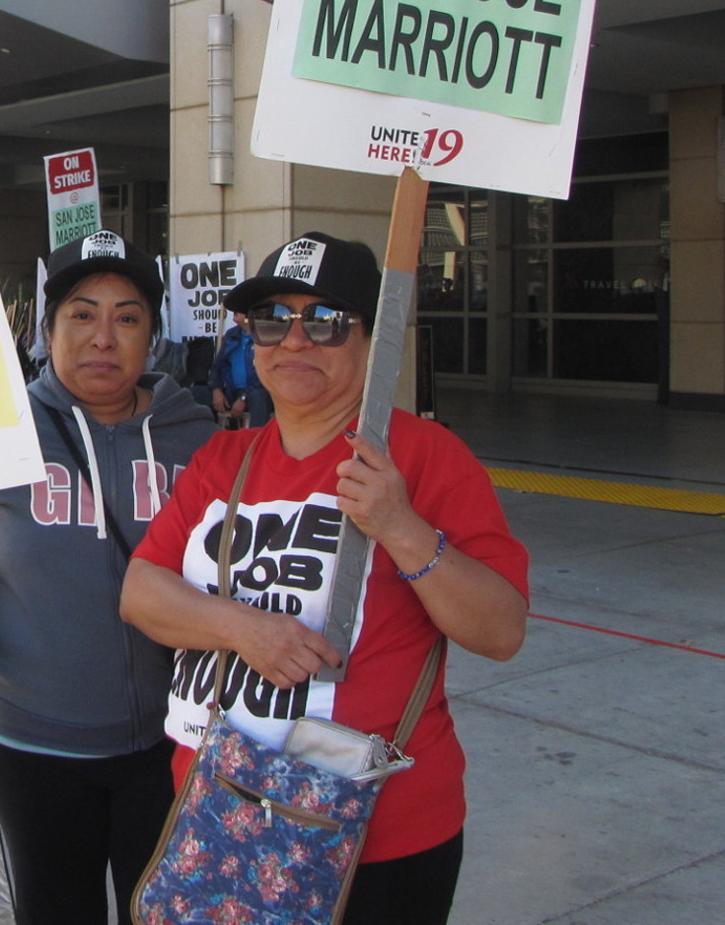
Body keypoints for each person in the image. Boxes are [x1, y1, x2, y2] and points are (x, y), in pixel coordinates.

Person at [121, 233, 530, 925]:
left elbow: (501, 630)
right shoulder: (225, 458)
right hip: (218, 808)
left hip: (376, 835)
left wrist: (401, 526)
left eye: (327, 321)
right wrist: (245, 628)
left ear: (373, 340)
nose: (296, 340)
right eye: (273, 320)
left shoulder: (427, 458)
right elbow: (141, 592)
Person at [0, 231, 217, 925]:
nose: (103, 337)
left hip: (170, 748)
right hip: (33, 750)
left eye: (127, 316)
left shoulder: (196, 439)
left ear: (154, 337)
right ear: (47, 330)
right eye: (82, 314)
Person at [209, 320, 272, 428]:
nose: (235, 311)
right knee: (200, 394)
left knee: (259, 396)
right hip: (232, 390)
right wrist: (216, 389)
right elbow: (218, 366)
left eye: (239, 309)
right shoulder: (231, 334)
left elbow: (265, 374)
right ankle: (212, 441)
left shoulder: (265, 336)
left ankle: (258, 440)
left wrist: (244, 398)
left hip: (258, 391)